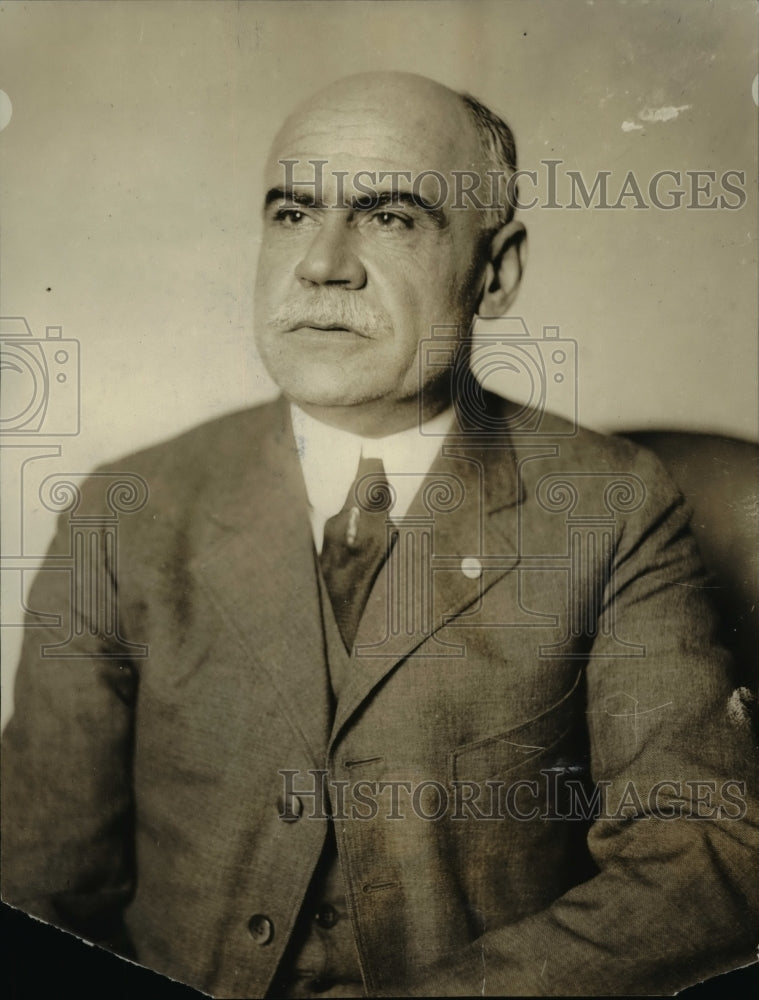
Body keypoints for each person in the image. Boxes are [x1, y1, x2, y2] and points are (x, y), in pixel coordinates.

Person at [2, 71, 758, 998]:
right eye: (291, 212)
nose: (322, 263)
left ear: (496, 270)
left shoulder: (613, 505)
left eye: (390, 216)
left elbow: (701, 856)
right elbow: (35, 887)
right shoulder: (123, 511)